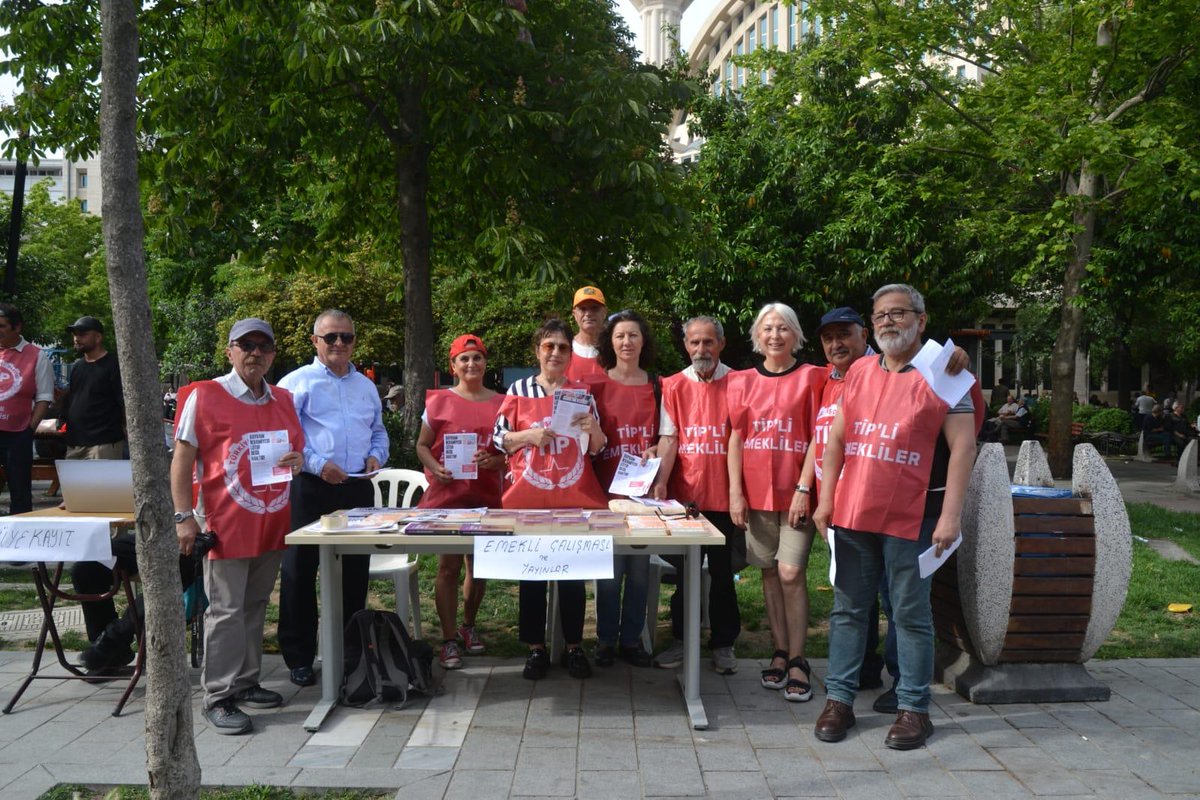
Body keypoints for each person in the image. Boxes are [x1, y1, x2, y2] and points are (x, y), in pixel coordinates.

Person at [812, 283, 978, 751]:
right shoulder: (859, 371)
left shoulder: (944, 370)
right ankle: (839, 700)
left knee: (909, 613)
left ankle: (914, 709)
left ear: (921, 320)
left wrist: (951, 517)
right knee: (848, 609)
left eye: (898, 313)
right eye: (880, 314)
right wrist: (825, 500)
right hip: (855, 511)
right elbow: (837, 440)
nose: (888, 321)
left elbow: (964, 447)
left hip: (916, 514)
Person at [171, 318, 305, 735]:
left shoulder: (283, 399)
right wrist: (183, 516)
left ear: (273, 354)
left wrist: (297, 461)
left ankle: (246, 682)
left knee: (255, 604)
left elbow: (296, 453)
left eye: (264, 346)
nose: (255, 353)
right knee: (226, 610)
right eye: (246, 345)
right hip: (224, 522)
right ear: (229, 350)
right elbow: (182, 459)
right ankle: (219, 695)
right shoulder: (205, 395)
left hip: (270, 519)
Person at [276, 310, 389, 688]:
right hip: (311, 486)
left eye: (346, 337)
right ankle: (299, 657)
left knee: (354, 573)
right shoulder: (295, 383)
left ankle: (350, 653)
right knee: (299, 571)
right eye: (331, 337)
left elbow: (378, 431)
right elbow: (286, 436)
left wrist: (377, 456)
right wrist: (318, 464)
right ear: (315, 341)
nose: (339, 343)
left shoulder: (366, 386)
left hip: (357, 487)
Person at [493, 318, 608, 680]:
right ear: (537, 351)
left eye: (562, 347)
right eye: (549, 346)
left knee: (572, 574)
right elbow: (498, 439)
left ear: (570, 354)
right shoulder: (518, 390)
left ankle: (574, 646)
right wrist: (527, 436)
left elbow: (598, 448)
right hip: (529, 498)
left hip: (572, 498)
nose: (555, 353)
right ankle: (535, 648)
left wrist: (594, 429)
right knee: (532, 574)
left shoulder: (581, 393)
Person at [727, 303, 826, 702]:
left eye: (783, 328)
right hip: (755, 495)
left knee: (790, 572)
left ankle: (800, 658)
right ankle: (780, 651)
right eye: (767, 328)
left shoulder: (813, 377)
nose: (775, 335)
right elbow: (736, 438)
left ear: (796, 334)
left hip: (796, 494)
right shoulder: (741, 381)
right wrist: (735, 492)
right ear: (757, 335)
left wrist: (804, 488)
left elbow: (819, 435)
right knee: (768, 572)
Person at [650, 315, 745, 675]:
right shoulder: (673, 385)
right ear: (685, 345)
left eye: (708, 342)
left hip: (724, 495)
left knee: (722, 575)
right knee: (686, 574)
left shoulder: (739, 382)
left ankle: (723, 643)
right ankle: (681, 638)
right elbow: (669, 437)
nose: (701, 349)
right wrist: (662, 480)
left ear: (721, 344)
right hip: (685, 496)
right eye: (694, 342)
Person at [415, 334, 505, 670]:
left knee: (479, 567)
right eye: (464, 359)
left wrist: (497, 461)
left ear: (485, 363)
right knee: (448, 567)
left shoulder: (503, 402)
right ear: (452, 366)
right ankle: (449, 638)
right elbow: (422, 445)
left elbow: (512, 450)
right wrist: (435, 467)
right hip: (449, 499)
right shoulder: (439, 401)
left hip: (487, 497)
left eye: (477, 357)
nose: (471, 364)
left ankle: (468, 625)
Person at [588, 310, 658, 668]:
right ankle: (605, 640)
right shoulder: (595, 386)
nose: (627, 342)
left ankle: (631, 640)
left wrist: (657, 450)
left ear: (643, 341)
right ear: (610, 342)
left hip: (643, 497)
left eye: (633, 335)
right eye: (620, 336)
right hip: (605, 495)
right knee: (610, 575)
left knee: (640, 572)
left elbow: (667, 435)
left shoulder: (659, 386)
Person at [0, 303, 54, 515]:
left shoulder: (36, 355)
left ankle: (20, 531)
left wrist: (29, 429)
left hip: (17, 434)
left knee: (19, 490)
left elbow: (44, 397)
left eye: (2, 326)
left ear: (17, 327)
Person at [61, 316, 126, 459]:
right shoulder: (77, 367)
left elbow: (124, 404)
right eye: (75, 334)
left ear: (98, 337)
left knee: (103, 476)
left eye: (82, 334)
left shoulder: (114, 365)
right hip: (75, 443)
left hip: (103, 444)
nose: (77, 339)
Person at [565, 285, 608, 381]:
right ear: (574, 314)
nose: (588, 313)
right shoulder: (564, 348)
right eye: (583, 309)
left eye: (594, 308)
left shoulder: (614, 349)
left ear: (604, 312)